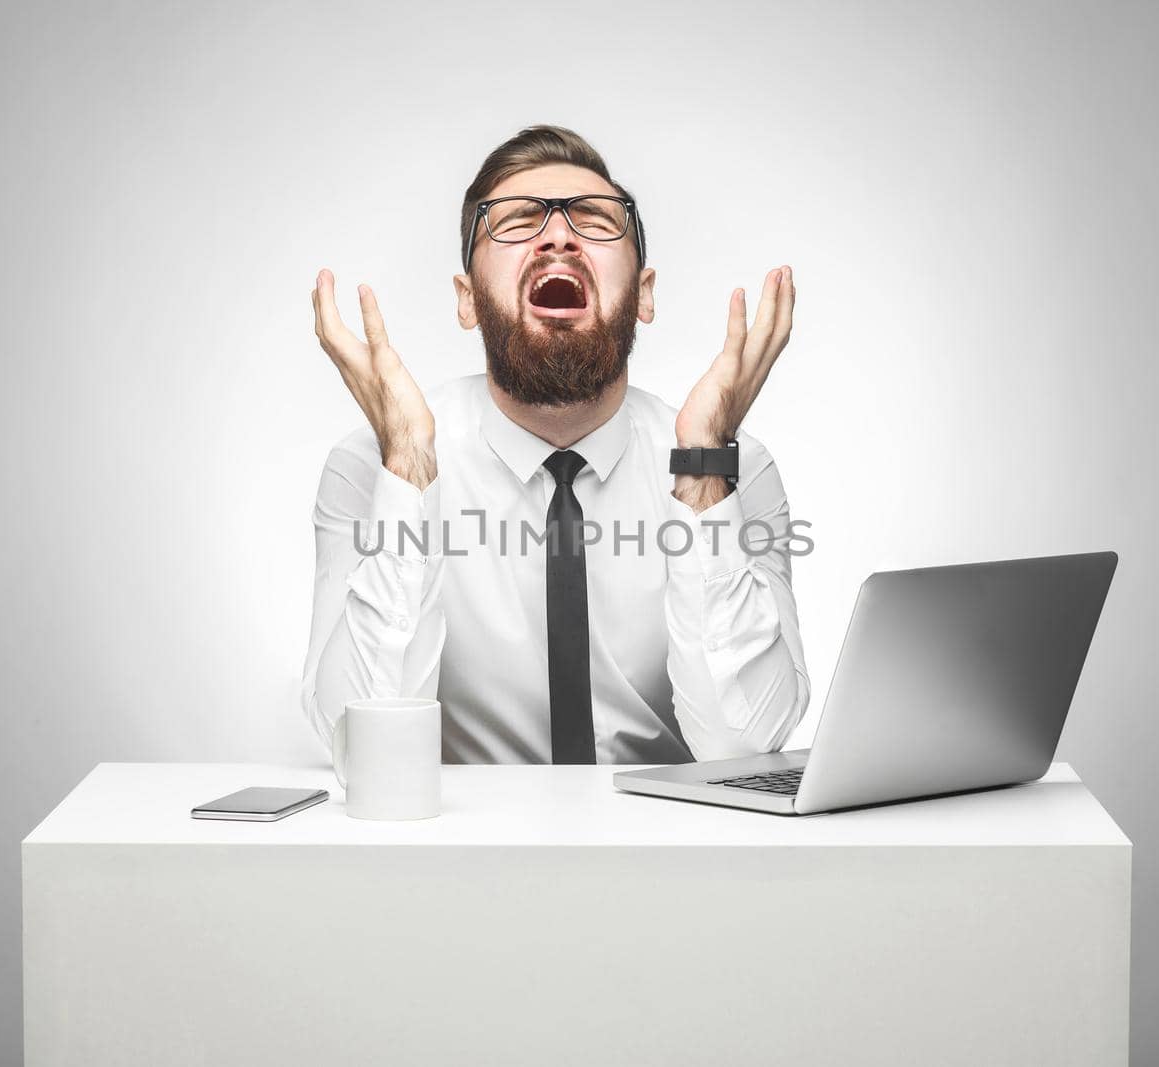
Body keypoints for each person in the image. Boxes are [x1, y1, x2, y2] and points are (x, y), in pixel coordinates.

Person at [300, 124, 809, 764]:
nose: (559, 236)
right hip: (457, 854)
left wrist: (704, 463)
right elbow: (366, 750)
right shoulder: (368, 468)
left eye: (594, 220)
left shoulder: (738, 467)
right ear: (468, 302)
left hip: (665, 851)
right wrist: (406, 462)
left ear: (644, 294)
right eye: (515, 223)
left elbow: (744, 748)